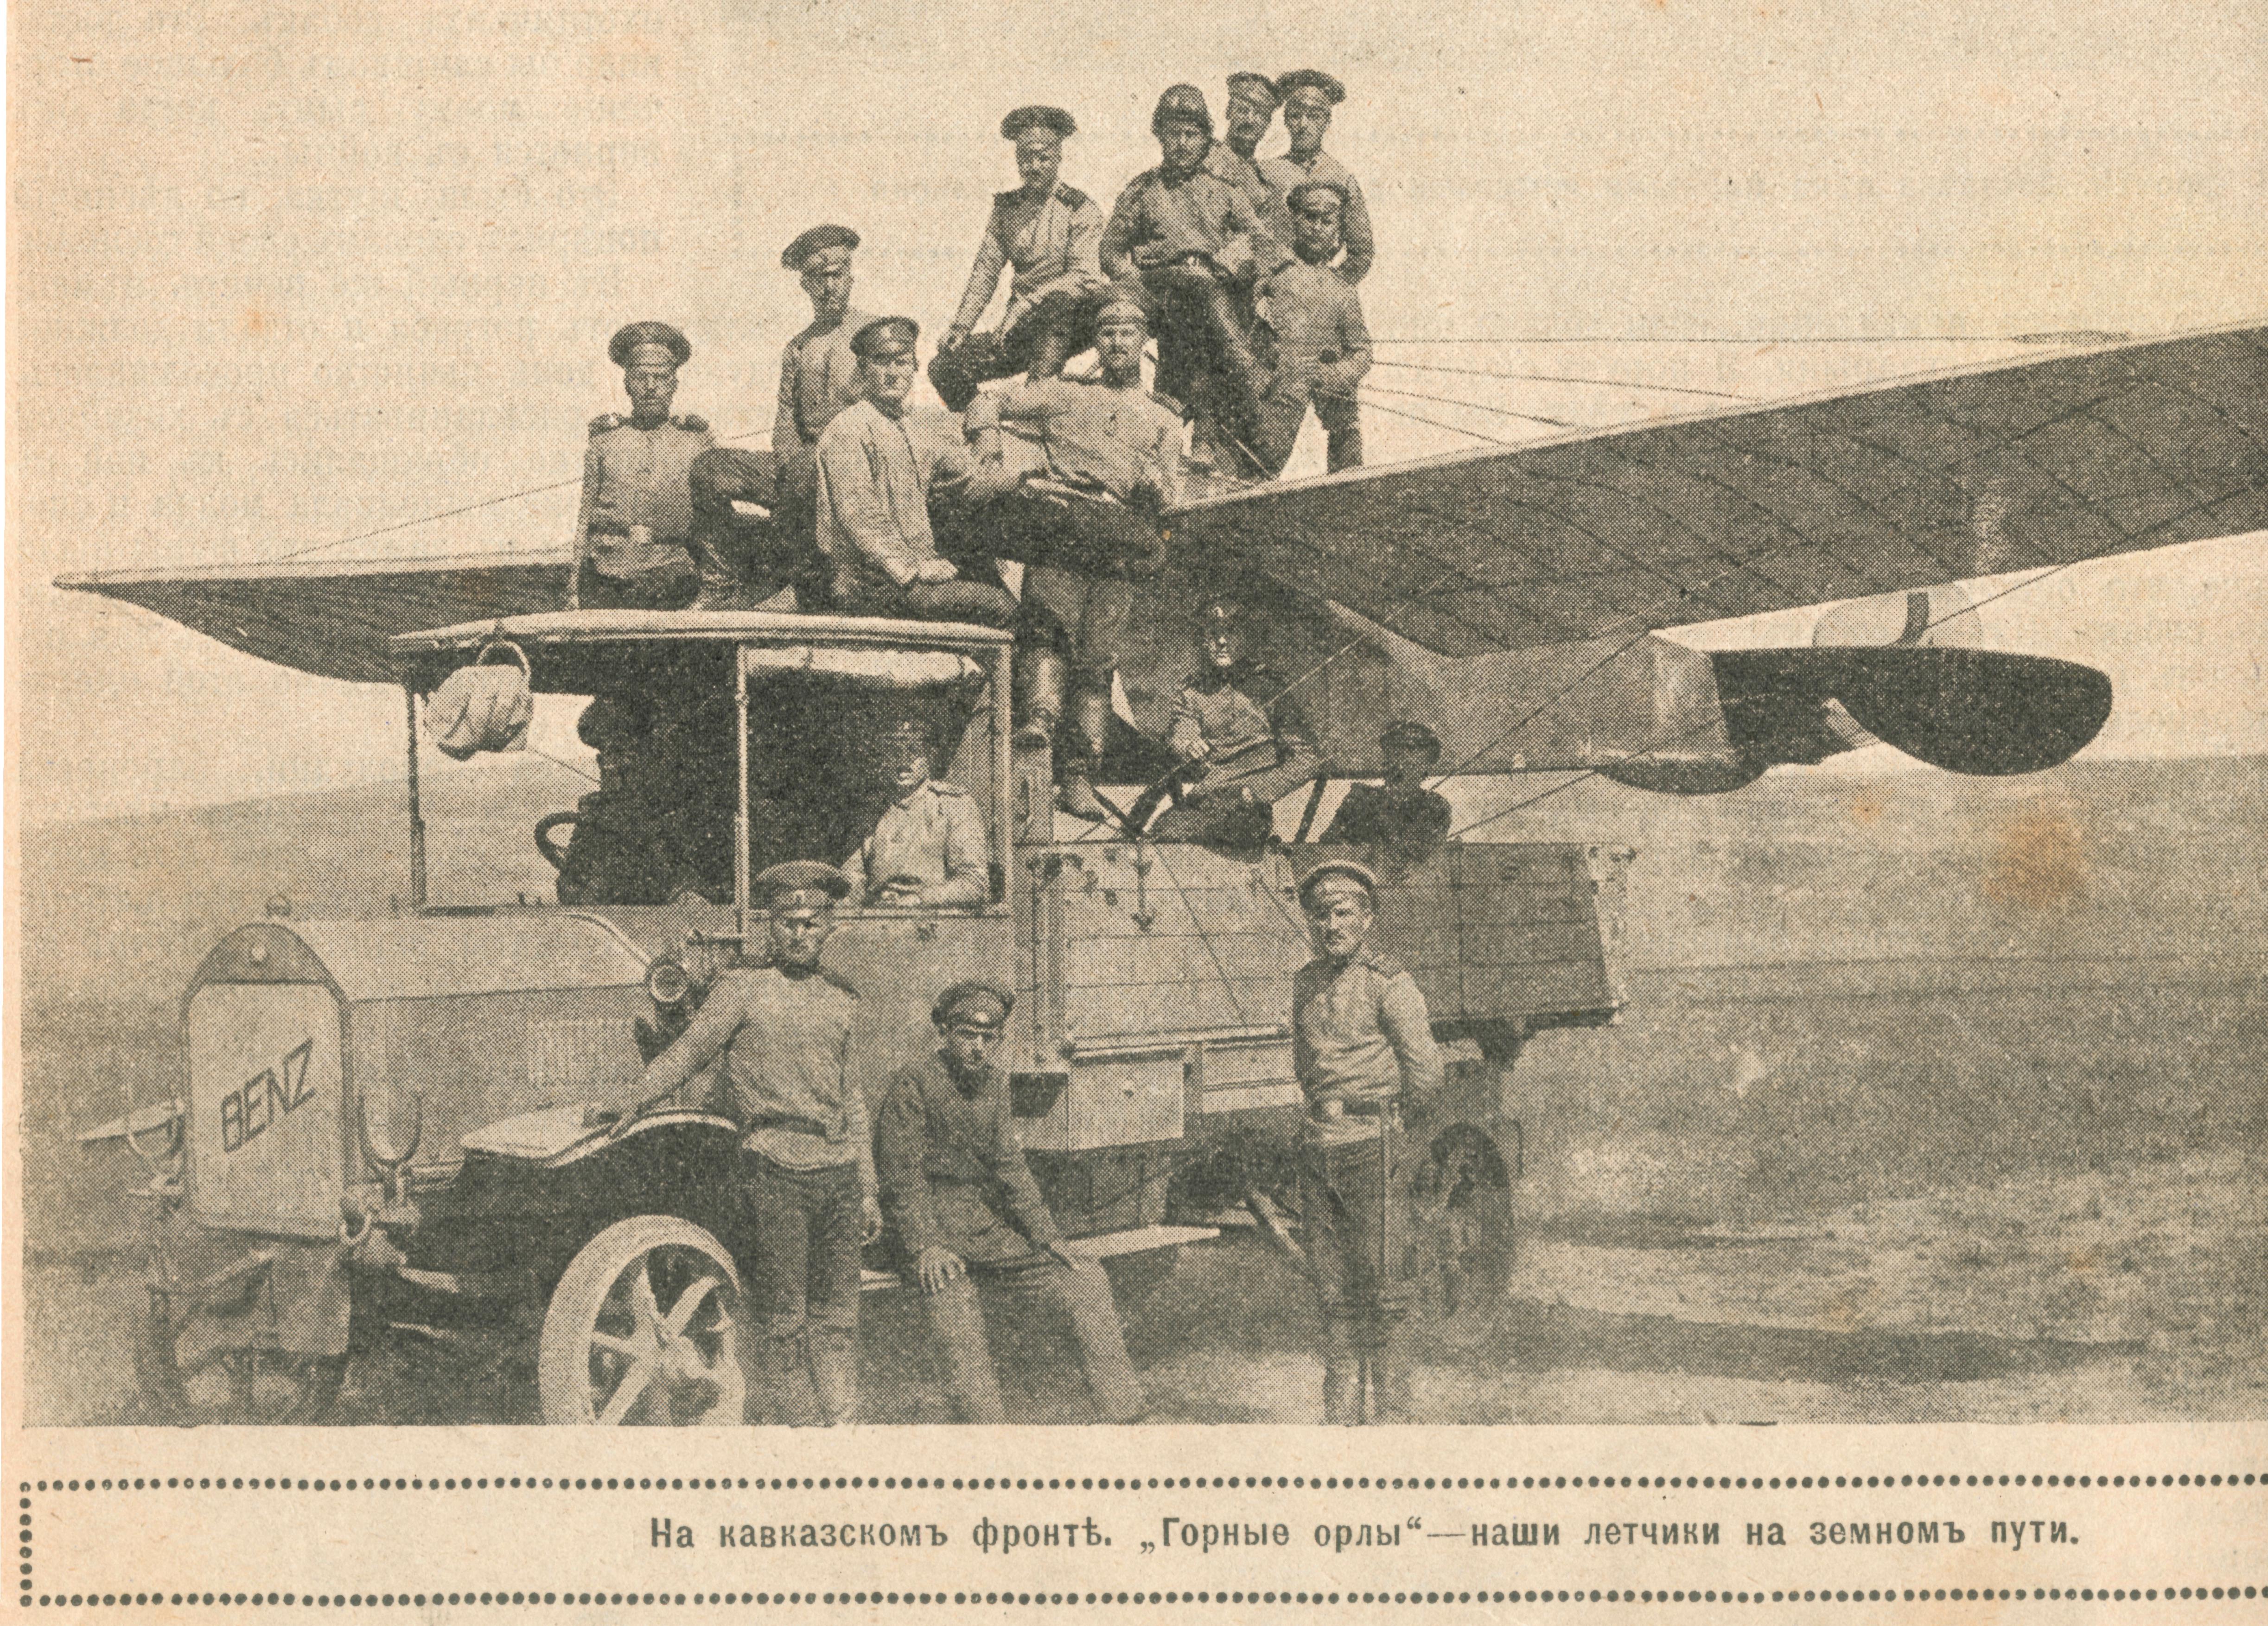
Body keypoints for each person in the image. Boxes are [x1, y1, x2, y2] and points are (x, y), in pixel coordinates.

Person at [619, 861, 880, 1426]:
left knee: (837, 1317)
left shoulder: (842, 1000)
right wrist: (634, 1098)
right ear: (770, 925)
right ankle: (801, 1428)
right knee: (783, 1317)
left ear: (829, 927)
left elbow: (852, 1098)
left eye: (812, 923)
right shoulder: (741, 990)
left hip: (836, 1172)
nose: (800, 934)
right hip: (773, 1166)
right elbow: (689, 1052)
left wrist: (868, 1191)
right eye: (788, 921)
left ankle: (843, 1422)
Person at [875, 980, 1146, 1423]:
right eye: (968, 1035)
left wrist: (1048, 1236)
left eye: (989, 1038)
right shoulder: (915, 1083)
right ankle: (987, 1433)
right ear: (945, 1032)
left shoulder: (995, 1083)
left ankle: (1126, 1416)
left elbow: (1010, 1166)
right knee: (952, 1299)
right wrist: (925, 1245)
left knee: (1085, 1276)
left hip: (984, 1227)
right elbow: (900, 1176)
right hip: (929, 1232)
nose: (978, 1048)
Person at [962, 284, 1184, 821]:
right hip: (1062, 526)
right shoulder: (1066, 394)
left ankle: (1079, 778)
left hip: (1119, 539)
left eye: (1126, 333)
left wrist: (1155, 488)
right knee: (1044, 636)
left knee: (1096, 665)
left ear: (1143, 340)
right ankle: (1034, 737)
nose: (1115, 343)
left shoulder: (1164, 420)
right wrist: (989, 455)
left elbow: (1171, 498)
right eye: (1106, 333)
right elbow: (987, 398)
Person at [1291, 859, 1442, 1423]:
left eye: (1342, 912)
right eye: (1320, 915)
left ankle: (1393, 1422)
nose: (1330, 925)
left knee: (1383, 1292)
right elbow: (1305, 1063)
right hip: (1319, 1144)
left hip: (1373, 1146)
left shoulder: (1389, 983)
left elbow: (1425, 1072)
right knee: (1331, 1293)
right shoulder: (1305, 982)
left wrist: (1396, 1135)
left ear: (1367, 918)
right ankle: (1342, 1425)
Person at [685, 224, 871, 608]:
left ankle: (796, 583)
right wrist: (787, 459)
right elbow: (786, 417)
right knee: (710, 467)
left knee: (806, 471)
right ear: (805, 285)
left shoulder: (870, 334)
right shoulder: (798, 347)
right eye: (818, 279)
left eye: (837, 276)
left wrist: (810, 462)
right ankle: (721, 581)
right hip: (800, 466)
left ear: (850, 278)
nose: (829, 287)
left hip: (858, 464)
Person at [1100, 85, 1284, 449]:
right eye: (1174, 134)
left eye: (1192, 135)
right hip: (1158, 286)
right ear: (1160, 137)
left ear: (1205, 140)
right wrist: (1134, 284)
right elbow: (1110, 250)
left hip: (1204, 293)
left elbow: (1264, 242)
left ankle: (1195, 442)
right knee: (1200, 288)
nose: (1183, 143)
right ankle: (1248, 372)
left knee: (1197, 348)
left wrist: (1243, 265)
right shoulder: (1142, 190)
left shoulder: (1224, 189)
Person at [814, 316, 1018, 626]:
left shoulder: (919, 426)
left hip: (910, 576)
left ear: (914, 367)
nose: (892, 373)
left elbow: (964, 480)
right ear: (863, 369)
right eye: (882, 363)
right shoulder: (847, 429)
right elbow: (859, 515)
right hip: (873, 582)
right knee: (1002, 609)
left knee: (1012, 602)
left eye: (901, 362)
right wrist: (914, 568)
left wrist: (1019, 477)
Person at [929, 106, 1109, 413]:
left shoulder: (1080, 208)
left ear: (1059, 157)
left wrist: (1026, 303)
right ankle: (981, 424)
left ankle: (1034, 407)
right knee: (943, 366)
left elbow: (1085, 277)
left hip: (1073, 323)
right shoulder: (1007, 210)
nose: (1034, 166)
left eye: (1043, 157)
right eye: (1025, 158)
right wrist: (961, 326)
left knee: (1057, 305)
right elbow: (986, 270)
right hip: (1024, 330)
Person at [1151, 597, 1320, 850]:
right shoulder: (1193, 691)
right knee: (1161, 836)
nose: (1222, 641)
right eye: (1213, 633)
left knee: (1176, 841)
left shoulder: (1268, 687)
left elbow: (1309, 758)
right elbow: (1182, 729)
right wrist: (1188, 745)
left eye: (1230, 631)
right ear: (1203, 639)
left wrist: (1258, 792)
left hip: (1246, 813)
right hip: (1207, 802)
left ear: (1246, 637)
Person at [567, 322, 713, 610]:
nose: (650, 387)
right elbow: (585, 518)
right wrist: (573, 588)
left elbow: (713, 521)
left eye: (660, 377)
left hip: (674, 578)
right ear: (626, 383)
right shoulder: (604, 441)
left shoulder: (698, 442)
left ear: (674, 384)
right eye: (641, 377)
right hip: (609, 579)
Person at [1249, 179, 1372, 475]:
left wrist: (1338, 374)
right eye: (1310, 217)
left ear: (1338, 230)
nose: (1317, 227)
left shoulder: (1342, 289)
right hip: (1275, 384)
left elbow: (1362, 350)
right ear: (1295, 221)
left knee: (1347, 422)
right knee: (1261, 460)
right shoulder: (1270, 274)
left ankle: (1348, 483)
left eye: (1327, 220)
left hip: (1320, 379)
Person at [843, 716, 992, 908]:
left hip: (933, 925)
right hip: (877, 923)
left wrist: (921, 899)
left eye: (913, 751)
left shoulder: (953, 806)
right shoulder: (874, 812)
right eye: (895, 752)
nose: (904, 761)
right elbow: (851, 877)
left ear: (930, 754)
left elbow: (975, 885)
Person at [1258, 70, 1375, 286]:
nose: (1303, 125)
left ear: (1326, 121)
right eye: (1295, 115)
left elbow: (1362, 252)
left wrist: (1329, 288)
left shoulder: (1342, 179)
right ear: (1286, 120)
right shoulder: (1265, 172)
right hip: (1273, 290)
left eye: (1313, 116)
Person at [1320, 720, 1453, 860]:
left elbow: (1423, 860)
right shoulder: (1361, 798)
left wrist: (1383, 817)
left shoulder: (1436, 807)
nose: (1399, 767)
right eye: (1394, 756)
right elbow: (1326, 849)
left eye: (1410, 764)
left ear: (1426, 769)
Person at [1204, 73, 1281, 219]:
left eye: (1260, 113)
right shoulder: (1205, 159)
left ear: (1268, 123)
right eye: (1243, 110)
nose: (1250, 120)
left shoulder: (1263, 182)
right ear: (1229, 111)